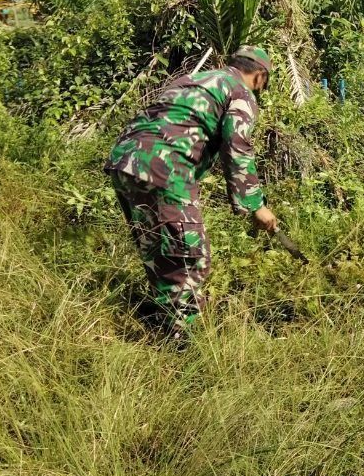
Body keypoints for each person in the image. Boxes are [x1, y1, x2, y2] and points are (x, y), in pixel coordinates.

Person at [106, 45, 279, 334]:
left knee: (159, 249)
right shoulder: (240, 92)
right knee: (189, 256)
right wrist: (255, 205)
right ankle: (182, 338)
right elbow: (237, 147)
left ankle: (159, 318)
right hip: (164, 167)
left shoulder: (194, 79)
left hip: (125, 160)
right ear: (260, 76)